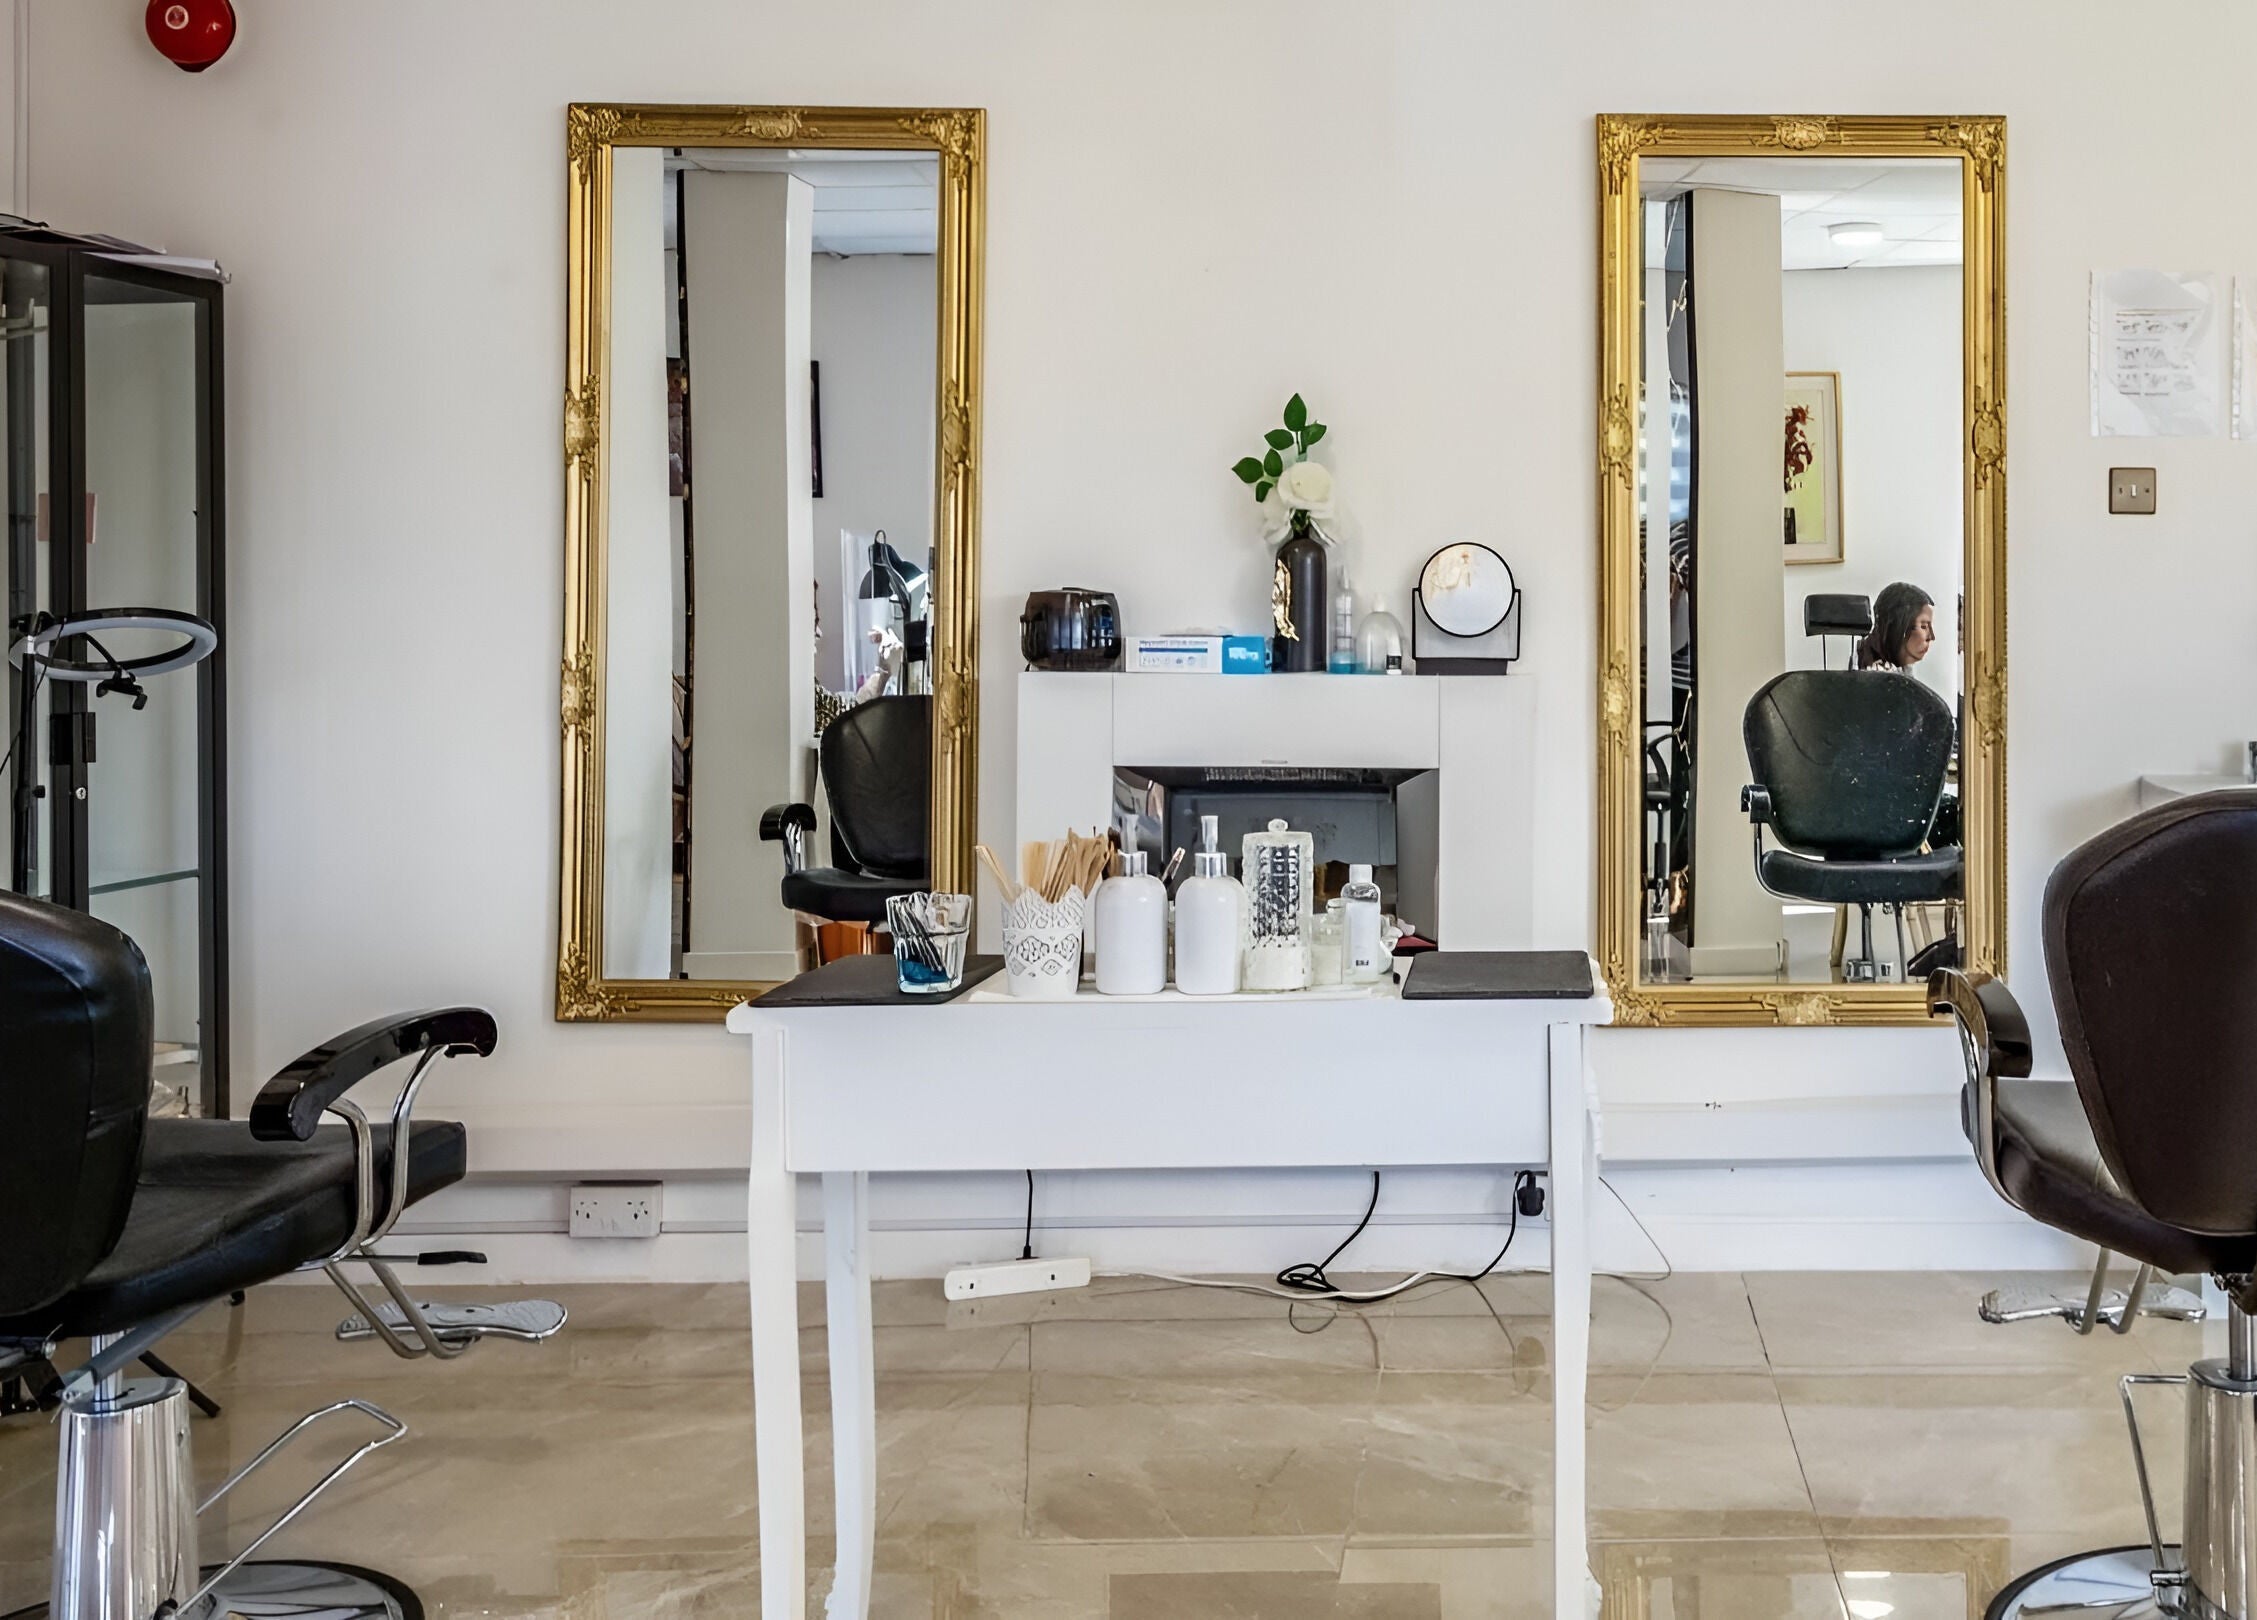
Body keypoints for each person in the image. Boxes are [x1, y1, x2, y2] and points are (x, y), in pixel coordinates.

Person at [1857, 581, 1936, 673]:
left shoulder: (1900, 666)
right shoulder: (1875, 673)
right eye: (1923, 626)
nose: (1931, 637)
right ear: (1897, 627)